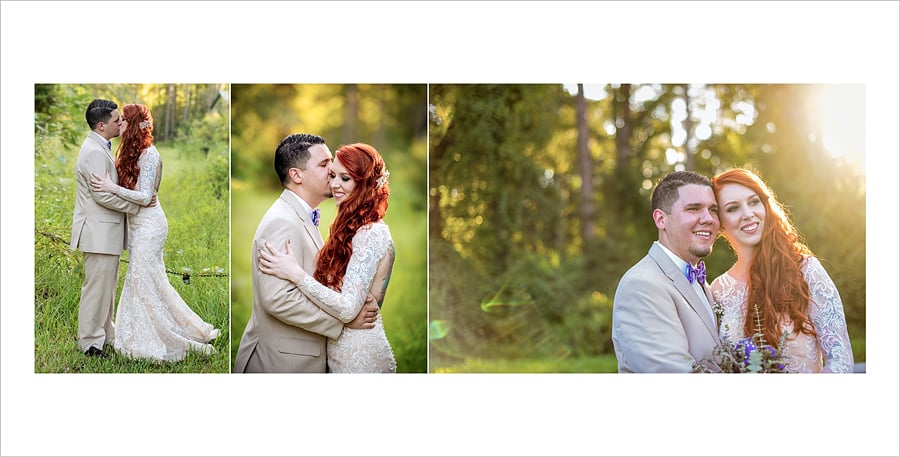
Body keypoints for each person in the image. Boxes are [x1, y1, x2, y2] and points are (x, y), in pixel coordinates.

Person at [233, 134, 380, 373]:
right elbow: (278, 298)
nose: (332, 169)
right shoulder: (282, 221)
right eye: (324, 164)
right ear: (296, 175)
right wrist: (342, 323)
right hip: (282, 363)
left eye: (330, 161)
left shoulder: (299, 215)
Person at [89, 103, 219, 362]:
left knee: (140, 279)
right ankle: (160, 329)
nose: (120, 123)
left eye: (124, 120)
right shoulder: (127, 151)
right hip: (136, 226)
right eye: (119, 120)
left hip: (151, 226)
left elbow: (146, 196)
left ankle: (157, 337)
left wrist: (110, 188)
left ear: (135, 124)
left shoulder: (149, 154)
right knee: (151, 279)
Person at [709, 168, 854, 373]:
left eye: (753, 202)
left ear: (765, 206)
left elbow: (841, 360)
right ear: (720, 221)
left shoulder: (806, 270)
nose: (748, 214)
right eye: (733, 208)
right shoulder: (717, 290)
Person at [611, 170, 722, 372]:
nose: (708, 219)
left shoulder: (703, 283)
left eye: (713, 210)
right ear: (661, 219)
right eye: (694, 209)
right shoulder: (642, 285)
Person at [71, 99, 149, 358]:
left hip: (105, 233)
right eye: (116, 121)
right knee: (97, 289)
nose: (121, 124)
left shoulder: (99, 146)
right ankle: (90, 343)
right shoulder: (93, 152)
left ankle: (106, 332)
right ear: (101, 125)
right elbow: (101, 196)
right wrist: (136, 207)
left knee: (107, 287)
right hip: (98, 233)